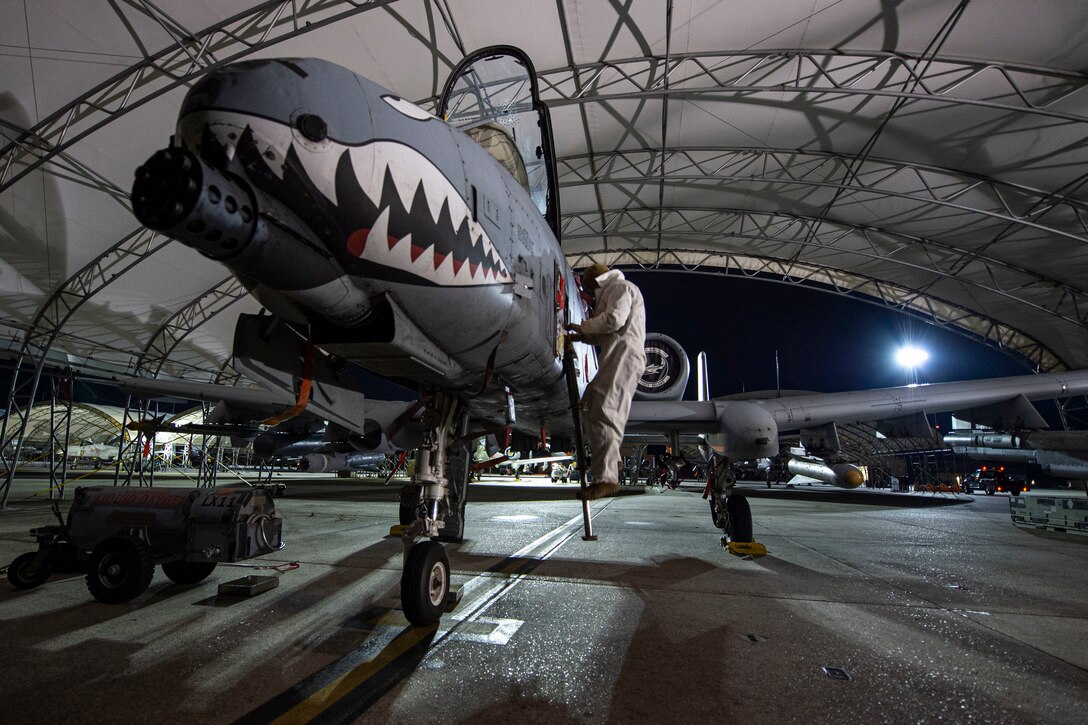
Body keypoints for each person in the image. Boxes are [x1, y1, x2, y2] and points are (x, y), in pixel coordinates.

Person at [565, 263, 646, 500]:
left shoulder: (620, 288)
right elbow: (606, 334)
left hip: (624, 358)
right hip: (616, 357)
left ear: (596, 282)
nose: (589, 296)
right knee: (589, 406)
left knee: (605, 412)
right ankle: (611, 465)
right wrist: (580, 335)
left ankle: (607, 479)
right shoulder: (617, 290)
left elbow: (613, 320)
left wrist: (582, 327)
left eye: (590, 290)